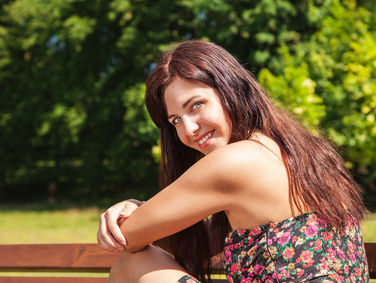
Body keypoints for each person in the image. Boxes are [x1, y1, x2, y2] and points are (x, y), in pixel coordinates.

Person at [97, 40, 369, 282]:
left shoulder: (235, 161)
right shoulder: (303, 150)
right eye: (176, 120)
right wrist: (141, 210)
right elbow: (199, 244)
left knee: (134, 261)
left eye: (196, 105)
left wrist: (134, 210)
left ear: (230, 90)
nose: (188, 129)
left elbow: (127, 237)